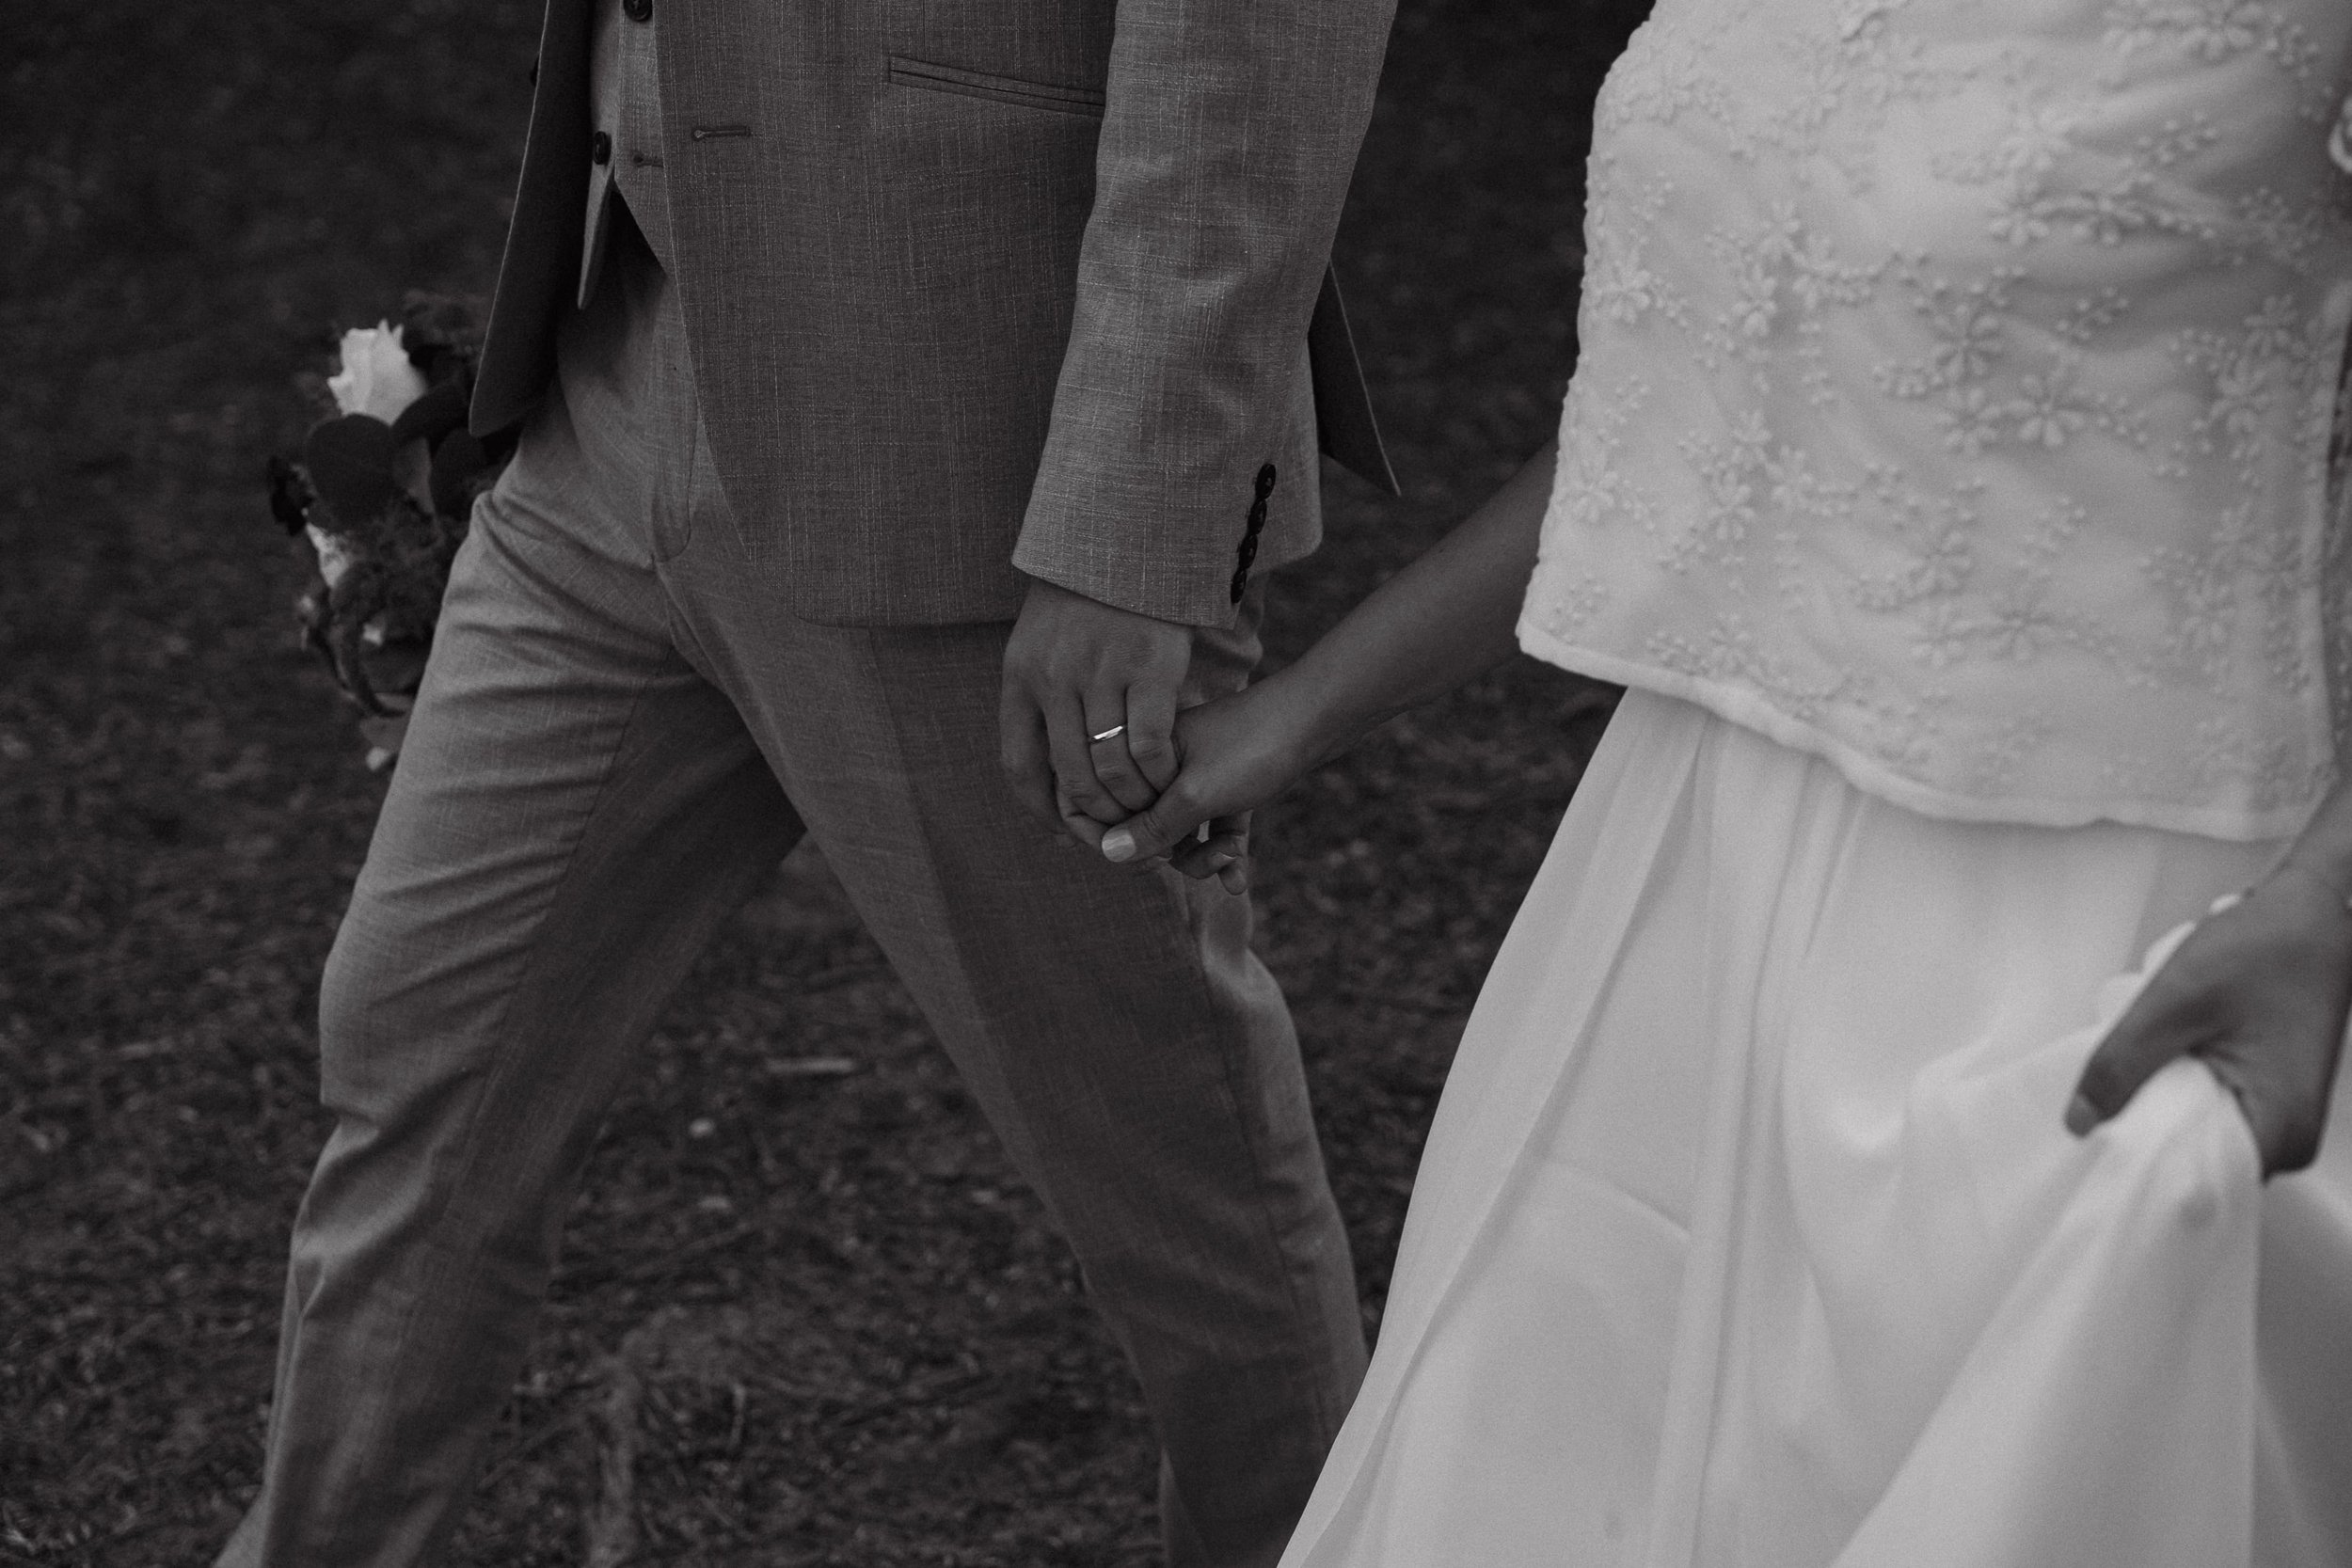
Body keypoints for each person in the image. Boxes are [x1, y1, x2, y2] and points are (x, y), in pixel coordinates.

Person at [1089, 1, 2352, 1561]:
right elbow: (1701, 401)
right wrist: (1306, 714)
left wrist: (2327, 902)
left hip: (2131, 907)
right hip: (1693, 878)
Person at [216, 0, 1402, 1562]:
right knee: (416, 1039)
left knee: (1177, 1194)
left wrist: (1135, 535)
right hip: (613, 369)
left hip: (976, 447)